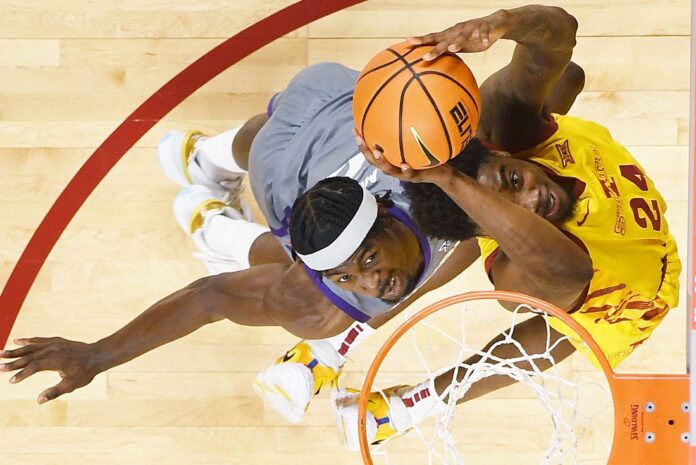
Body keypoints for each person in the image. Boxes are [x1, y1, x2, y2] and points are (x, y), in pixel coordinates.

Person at [0, 61, 482, 422]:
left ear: (385, 217)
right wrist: (97, 355)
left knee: (264, 155)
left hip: (343, 103)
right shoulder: (316, 304)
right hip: (290, 156)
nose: (370, 284)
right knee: (261, 148)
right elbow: (209, 298)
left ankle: (203, 186)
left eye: (369, 259)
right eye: (345, 277)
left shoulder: (445, 176)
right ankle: (207, 194)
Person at [333, 4, 681, 450]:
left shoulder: (505, 129)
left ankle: (355, 332)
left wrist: (501, 24)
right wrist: (447, 178)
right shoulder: (518, 276)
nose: (534, 200)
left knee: (565, 75)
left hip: (592, 211)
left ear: (499, 153)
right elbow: (568, 273)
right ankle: (415, 401)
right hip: (631, 301)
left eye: (514, 180)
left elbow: (562, 31)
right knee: (562, 325)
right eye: (513, 208)